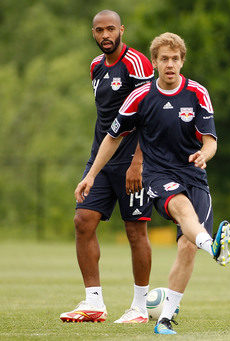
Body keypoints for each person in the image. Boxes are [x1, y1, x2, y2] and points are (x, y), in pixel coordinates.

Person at [74, 31, 230, 335]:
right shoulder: (142, 95)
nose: (170, 64)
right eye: (164, 59)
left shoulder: (197, 93)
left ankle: (165, 319)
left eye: (175, 59)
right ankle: (212, 248)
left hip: (195, 176)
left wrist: (204, 154)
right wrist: (91, 175)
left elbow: (211, 141)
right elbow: (112, 137)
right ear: (156, 63)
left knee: (187, 247)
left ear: (182, 61)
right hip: (159, 176)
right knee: (183, 210)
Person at [60, 10, 155, 324]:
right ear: (93, 33)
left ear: (121, 30)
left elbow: (148, 114)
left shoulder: (137, 63)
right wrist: (91, 170)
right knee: (83, 220)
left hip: (135, 160)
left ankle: (140, 308)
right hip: (101, 158)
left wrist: (139, 161)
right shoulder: (95, 67)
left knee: (135, 231)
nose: (105, 35)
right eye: (99, 30)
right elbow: (105, 119)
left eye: (110, 29)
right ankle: (94, 303)